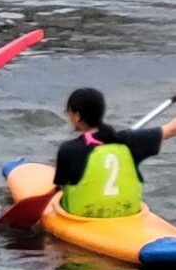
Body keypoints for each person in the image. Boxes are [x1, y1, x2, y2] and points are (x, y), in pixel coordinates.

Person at [53, 87, 176, 217]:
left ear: (77, 116)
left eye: (68, 112)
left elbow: (60, 189)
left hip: (84, 219)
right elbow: (172, 128)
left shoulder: (68, 150)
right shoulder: (129, 140)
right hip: (127, 216)